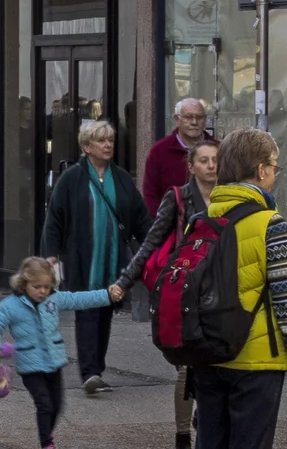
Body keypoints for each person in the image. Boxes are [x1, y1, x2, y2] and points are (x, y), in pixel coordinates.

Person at [196, 128, 287, 449]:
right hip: (257, 361)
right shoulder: (269, 222)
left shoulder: (203, 219)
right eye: (274, 167)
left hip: (207, 356)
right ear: (261, 169)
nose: (274, 175)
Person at [119, 136, 221, 449]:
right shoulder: (178, 198)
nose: (211, 166)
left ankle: (203, 418)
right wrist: (124, 281)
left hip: (217, 292)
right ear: (190, 167)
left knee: (211, 364)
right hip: (183, 292)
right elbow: (151, 241)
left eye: (215, 160)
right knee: (187, 367)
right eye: (203, 160)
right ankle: (182, 434)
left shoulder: (227, 196)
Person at [40, 118, 148, 394]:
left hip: (114, 262)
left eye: (110, 140)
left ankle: (96, 367)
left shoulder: (121, 178)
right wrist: (50, 256)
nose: (108, 145)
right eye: (101, 140)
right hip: (82, 262)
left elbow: (140, 217)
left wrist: (155, 244)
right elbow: (54, 220)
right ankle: (90, 372)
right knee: (88, 314)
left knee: (105, 314)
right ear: (87, 146)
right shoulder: (71, 179)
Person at [0, 255, 120, 449]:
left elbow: (79, 299)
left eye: (46, 286)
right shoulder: (11, 305)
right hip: (30, 365)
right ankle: (47, 443)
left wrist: (107, 295)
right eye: (37, 286)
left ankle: (47, 430)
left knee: (57, 405)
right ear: (24, 283)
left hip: (53, 362)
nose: (42, 291)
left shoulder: (53, 299)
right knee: (45, 405)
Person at [143, 97, 218, 214]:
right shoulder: (159, 151)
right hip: (172, 225)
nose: (194, 122)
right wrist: (162, 224)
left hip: (212, 223)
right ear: (177, 119)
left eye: (199, 117)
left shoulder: (219, 149)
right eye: (189, 117)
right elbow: (150, 195)